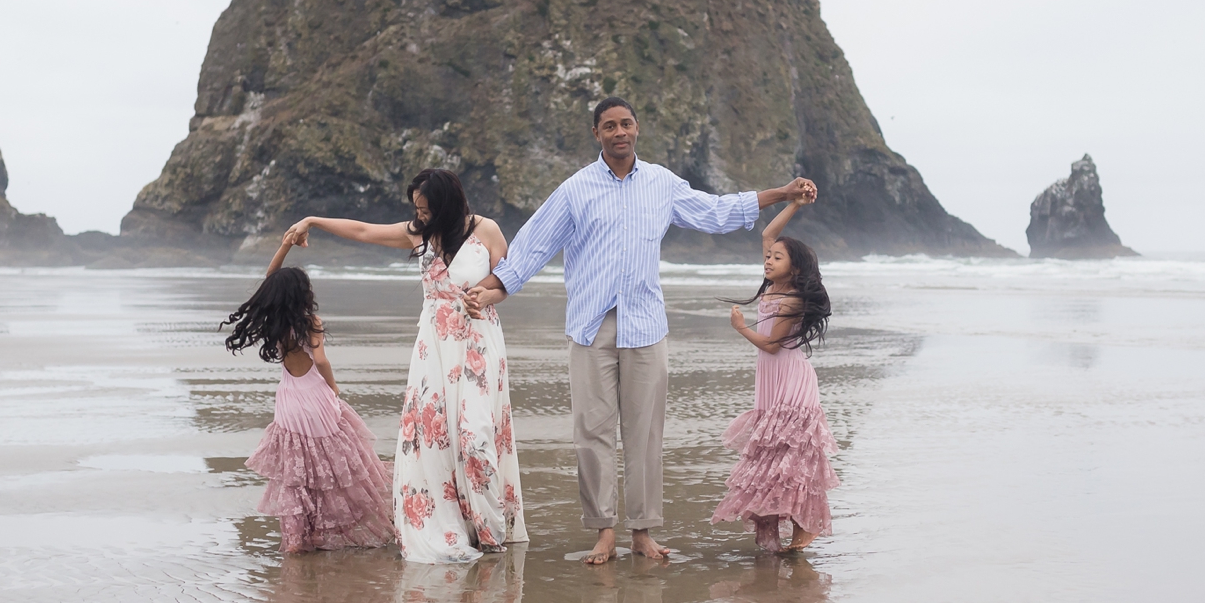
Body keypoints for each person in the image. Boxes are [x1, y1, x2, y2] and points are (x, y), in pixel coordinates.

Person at [464, 96, 817, 565]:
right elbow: (532, 243)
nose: (619, 132)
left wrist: (782, 192)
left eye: (626, 123)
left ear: (637, 128)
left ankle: (643, 532)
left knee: (646, 434)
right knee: (592, 432)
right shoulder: (576, 188)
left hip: (646, 325)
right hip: (590, 325)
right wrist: (495, 288)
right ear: (597, 134)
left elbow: (716, 211)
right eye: (609, 126)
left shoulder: (661, 183)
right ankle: (604, 532)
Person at [283, 169, 526, 564]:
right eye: (417, 209)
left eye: (427, 209)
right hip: (434, 346)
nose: (421, 216)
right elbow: (363, 231)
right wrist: (313, 220)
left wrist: (485, 296)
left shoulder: (488, 231)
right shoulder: (418, 234)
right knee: (436, 438)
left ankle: (490, 528)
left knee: (475, 434)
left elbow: (508, 281)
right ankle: (453, 525)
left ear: (448, 203)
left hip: (478, 341)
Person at [223, 229, 395, 553]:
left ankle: (298, 540)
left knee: (297, 473)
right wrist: (334, 387)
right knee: (336, 469)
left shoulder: (274, 319)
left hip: (288, 402)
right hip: (315, 398)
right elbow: (321, 360)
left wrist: (286, 244)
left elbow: (270, 277)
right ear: (303, 294)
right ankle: (343, 529)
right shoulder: (310, 320)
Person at [710, 193, 839, 552]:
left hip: (792, 385)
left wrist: (739, 327)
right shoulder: (772, 287)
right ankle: (769, 537)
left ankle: (805, 526)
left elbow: (770, 345)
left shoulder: (794, 297)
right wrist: (794, 204)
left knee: (793, 459)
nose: (768, 260)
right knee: (769, 459)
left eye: (776, 258)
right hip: (770, 385)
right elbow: (769, 233)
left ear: (794, 268)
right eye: (768, 257)